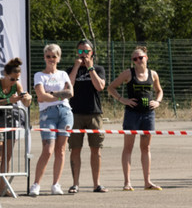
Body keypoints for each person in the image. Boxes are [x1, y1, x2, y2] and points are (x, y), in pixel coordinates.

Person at [112, 46, 163, 191]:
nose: (138, 60)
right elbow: (111, 87)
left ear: (146, 58)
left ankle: (147, 182)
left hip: (148, 114)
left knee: (146, 147)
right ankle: (127, 182)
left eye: (140, 57)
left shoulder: (153, 74)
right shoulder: (128, 73)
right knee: (128, 147)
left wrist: (158, 101)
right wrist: (123, 100)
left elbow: (159, 90)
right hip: (132, 114)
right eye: (135, 58)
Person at [30, 46, 73, 197]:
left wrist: (52, 94)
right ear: (44, 58)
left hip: (65, 112)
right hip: (47, 114)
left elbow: (70, 92)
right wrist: (59, 95)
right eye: (48, 56)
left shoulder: (63, 74)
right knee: (48, 150)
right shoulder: (39, 75)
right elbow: (41, 96)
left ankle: (56, 184)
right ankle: (36, 184)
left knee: (61, 150)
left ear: (58, 58)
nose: (51, 59)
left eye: (54, 56)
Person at [0, 59, 30, 198]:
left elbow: (26, 103)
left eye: (16, 79)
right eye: (12, 78)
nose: (14, 81)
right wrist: (9, 101)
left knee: (7, 156)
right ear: (5, 74)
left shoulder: (17, 85)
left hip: (10, 119)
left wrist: (28, 98)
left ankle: (3, 188)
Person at [66, 40, 107, 194]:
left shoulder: (98, 69)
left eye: (86, 51)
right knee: (75, 149)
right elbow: (68, 87)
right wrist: (76, 67)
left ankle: (96, 184)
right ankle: (75, 184)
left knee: (96, 149)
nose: (83, 55)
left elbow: (100, 86)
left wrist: (90, 67)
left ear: (92, 53)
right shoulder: (71, 69)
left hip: (94, 113)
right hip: (75, 113)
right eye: (81, 52)